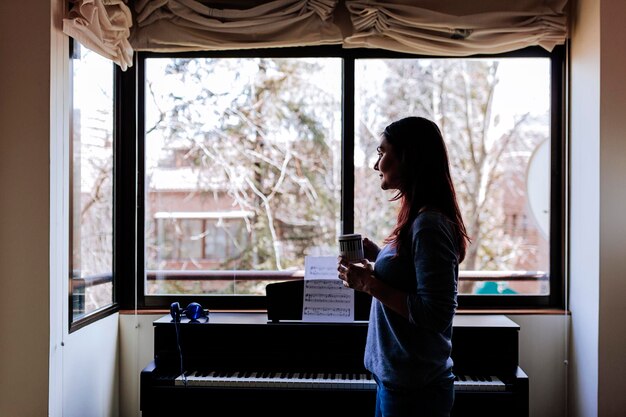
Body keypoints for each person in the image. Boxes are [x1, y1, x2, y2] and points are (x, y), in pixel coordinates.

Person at [337, 116, 470, 417]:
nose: (376, 165)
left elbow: (435, 314)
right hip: (397, 384)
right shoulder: (419, 221)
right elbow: (414, 274)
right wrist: (382, 256)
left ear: (408, 159)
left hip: (414, 393)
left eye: (382, 153)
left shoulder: (429, 225)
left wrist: (368, 283)